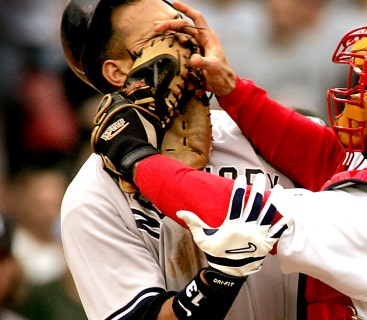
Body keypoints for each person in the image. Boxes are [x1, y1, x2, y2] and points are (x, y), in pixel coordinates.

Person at [95, 12, 367, 318]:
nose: (355, 96)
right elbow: (328, 157)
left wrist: (136, 156)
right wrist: (232, 88)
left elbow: (241, 214)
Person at [59, 0, 304, 319]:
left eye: (186, 30)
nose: (186, 47)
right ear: (118, 72)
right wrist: (220, 279)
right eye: (164, 39)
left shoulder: (264, 136)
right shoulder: (93, 198)